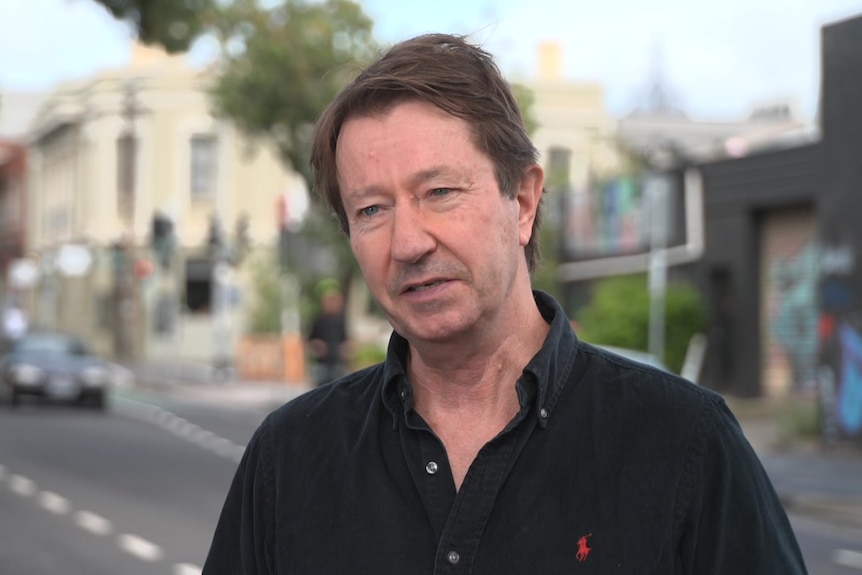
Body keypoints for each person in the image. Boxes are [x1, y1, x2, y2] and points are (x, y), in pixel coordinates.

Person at [203, 33, 807, 574]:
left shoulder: (683, 443)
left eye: (440, 192)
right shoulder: (289, 458)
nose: (408, 243)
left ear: (522, 201)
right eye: (372, 210)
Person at [306, 282, 349, 386]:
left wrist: (345, 349)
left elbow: (345, 339)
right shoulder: (318, 320)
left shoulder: (340, 321)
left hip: (337, 361)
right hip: (322, 363)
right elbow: (311, 339)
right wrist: (318, 346)